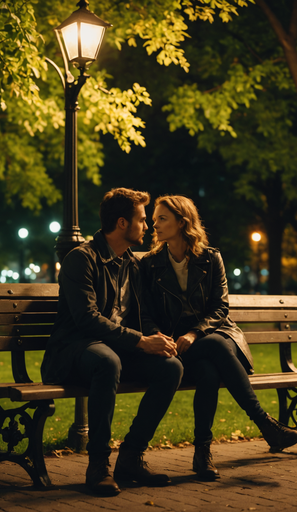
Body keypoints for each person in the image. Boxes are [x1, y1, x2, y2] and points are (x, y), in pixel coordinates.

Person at [140, 195, 297, 481]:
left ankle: (203, 452)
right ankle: (264, 426)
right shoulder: (150, 264)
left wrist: (195, 332)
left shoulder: (210, 258)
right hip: (174, 344)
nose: (154, 224)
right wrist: (161, 337)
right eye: (153, 219)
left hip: (210, 335)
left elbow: (220, 308)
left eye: (162, 218)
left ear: (182, 222)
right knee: (212, 354)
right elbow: (146, 313)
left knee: (208, 371)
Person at [41, 188, 183, 496]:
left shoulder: (132, 264)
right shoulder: (81, 259)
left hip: (112, 350)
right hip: (72, 352)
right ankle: (98, 466)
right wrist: (139, 341)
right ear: (122, 223)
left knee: (170, 367)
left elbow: (141, 316)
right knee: (107, 361)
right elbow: (86, 320)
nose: (148, 227)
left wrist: (156, 339)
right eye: (142, 220)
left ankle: (131, 457)